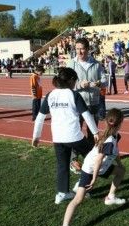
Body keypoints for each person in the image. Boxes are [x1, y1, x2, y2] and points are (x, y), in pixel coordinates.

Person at [57, 108, 126, 226]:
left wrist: (119, 163)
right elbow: (98, 160)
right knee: (78, 199)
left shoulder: (115, 136)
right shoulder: (109, 140)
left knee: (120, 171)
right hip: (90, 169)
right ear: (120, 123)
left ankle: (110, 197)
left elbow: (115, 152)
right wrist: (93, 179)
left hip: (101, 167)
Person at [32, 67, 99, 204]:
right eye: (75, 80)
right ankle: (80, 186)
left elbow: (40, 117)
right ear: (71, 80)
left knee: (62, 165)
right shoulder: (73, 94)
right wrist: (96, 132)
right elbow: (86, 114)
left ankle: (62, 193)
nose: (75, 83)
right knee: (94, 158)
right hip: (74, 137)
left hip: (58, 138)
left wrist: (36, 136)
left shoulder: (51, 95)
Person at [66, 37, 106, 173]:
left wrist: (100, 83)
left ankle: (90, 158)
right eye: (77, 49)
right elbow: (66, 83)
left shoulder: (96, 64)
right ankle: (73, 160)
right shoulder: (71, 64)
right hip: (77, 103)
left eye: (82, 48)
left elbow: (105, 80)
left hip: (93, 103)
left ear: (88, 49)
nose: (79, 51)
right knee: (75, 132)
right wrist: (79, 85)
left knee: (92, 134)